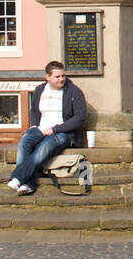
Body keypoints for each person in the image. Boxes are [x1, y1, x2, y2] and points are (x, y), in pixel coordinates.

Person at [6, 62, 86, 195]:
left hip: (62, 133)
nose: (61, 79)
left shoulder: (74, 92)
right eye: (57, 76)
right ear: (47, 77)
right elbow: (34, 111)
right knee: (25, 142)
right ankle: (28, 184)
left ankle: (17, 178)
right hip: (40, 129)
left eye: (63, 76)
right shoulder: (39, 90)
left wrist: (55, 129)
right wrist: (34, 125)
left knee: (44, 146)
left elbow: (80, 118)